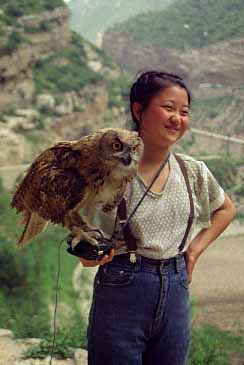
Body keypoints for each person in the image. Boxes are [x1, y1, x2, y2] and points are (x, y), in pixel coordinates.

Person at [79, 70, 236, 365]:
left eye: (184, 111)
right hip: (122, 287)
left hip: (176, 287)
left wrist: (194, 251)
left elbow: (226, 209)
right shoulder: (107, 173)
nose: (177, 118)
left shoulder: (192, 171)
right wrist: (87, 253)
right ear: (139, 110)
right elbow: (77, 228)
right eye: (168, 108)